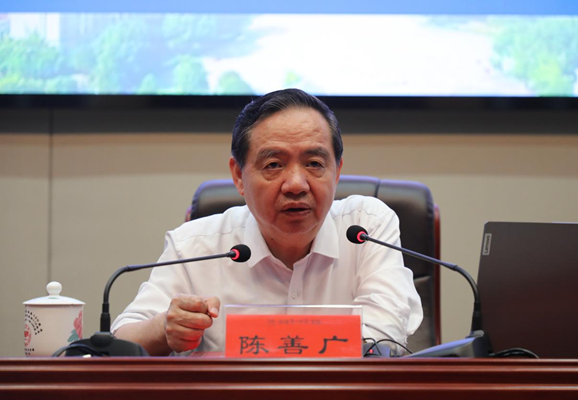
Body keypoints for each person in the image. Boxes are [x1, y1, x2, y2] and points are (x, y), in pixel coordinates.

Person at [112, 88, 422, 356]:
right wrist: (164, 328)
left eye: (314, 163)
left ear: (337, 171)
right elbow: (122, 342)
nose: (296, 184)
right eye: (274, 164)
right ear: (238, 176)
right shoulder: (194, 246)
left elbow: (385, 333)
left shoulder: (366, 228)